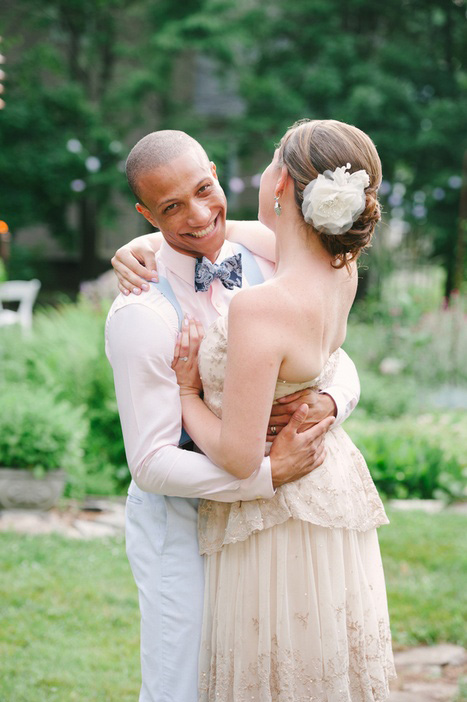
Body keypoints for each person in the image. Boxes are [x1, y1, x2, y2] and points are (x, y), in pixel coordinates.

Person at [106, 129, 361, 702]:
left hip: (265, 528)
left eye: (204, 189)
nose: (199, 215)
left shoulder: (269, 260)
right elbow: (150, 463)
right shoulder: (141, 314)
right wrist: (267, 475)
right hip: (183, 523)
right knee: (184, 683)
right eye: (171, 207)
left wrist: (332, 400)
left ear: (218, 174)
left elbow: (332, 353)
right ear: (146, 213)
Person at [171, 119, 396, 701]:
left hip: (275, 522)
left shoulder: (260, 309)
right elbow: (257, 235)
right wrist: (150, 243)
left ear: (285, 187)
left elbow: (240, 456)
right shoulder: (339, 272)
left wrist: (188, 395)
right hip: (333, 494)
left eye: (273, 159)